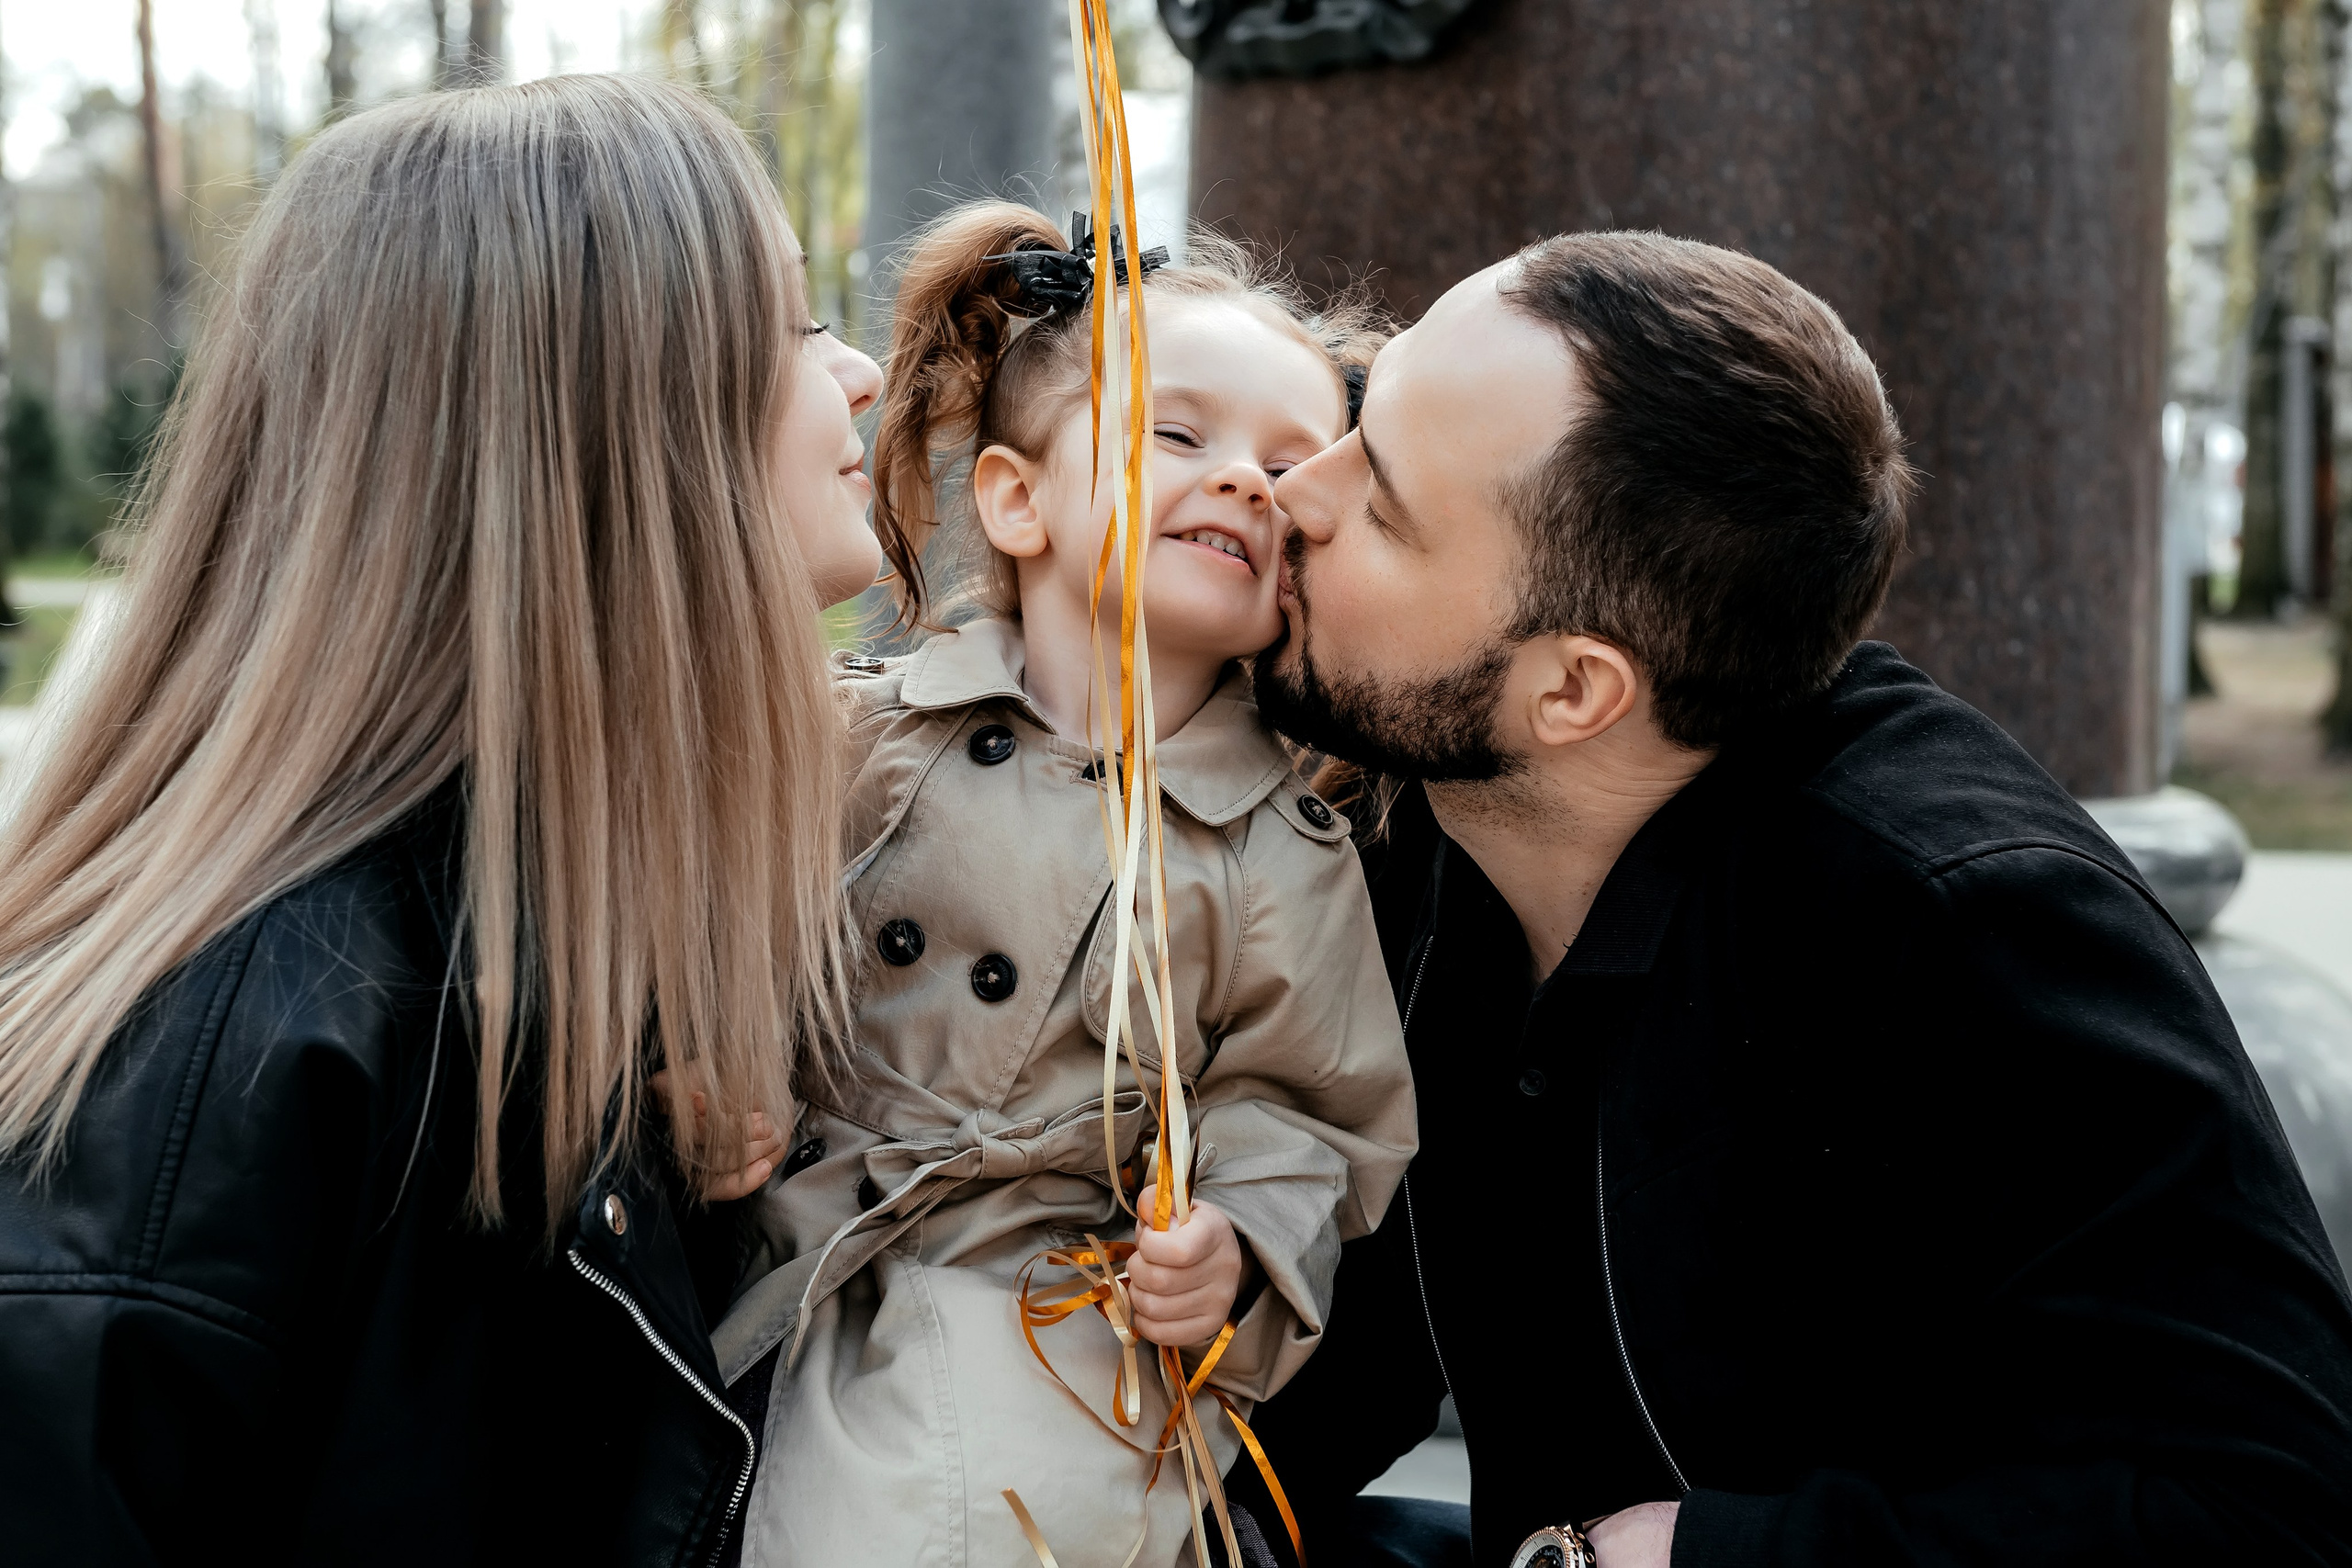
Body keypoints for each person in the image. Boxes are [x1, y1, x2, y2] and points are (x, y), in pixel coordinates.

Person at [1229, 231, 2352, 1566]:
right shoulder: (1426, 803)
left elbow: (2274, 1513)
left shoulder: (1966, 925)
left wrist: (1693, 1559)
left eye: (1386, 506)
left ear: (1575, 692)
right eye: (1366, 410)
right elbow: (1346, 1347)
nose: (1296, 486)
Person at [0, 75, 887, 1566]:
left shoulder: (587, 949)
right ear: (615, 425)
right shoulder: (240, 1059)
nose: (858, 372)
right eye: (795, 323)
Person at [708, 203, 1418, 1568]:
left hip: (1060, 1325)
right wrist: (705, 1079)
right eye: (1180, 437)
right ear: (1017, 500)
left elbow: (1309, 1111)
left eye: (1291, 462)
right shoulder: (857, 741)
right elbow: (719, 933)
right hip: (788, 1267)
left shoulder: (1273, 847)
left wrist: (1239, 1243)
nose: (1249, 483)